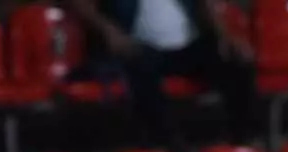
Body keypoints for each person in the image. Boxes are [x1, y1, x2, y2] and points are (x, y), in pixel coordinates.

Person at [65, 0, 257, 143]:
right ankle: (165, 142)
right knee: (139, 65)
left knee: (237, 63)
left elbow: (205, 5)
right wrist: (109, 31)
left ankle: (240, 138)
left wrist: (226, 38)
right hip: (140, 47)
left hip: (188, 46)